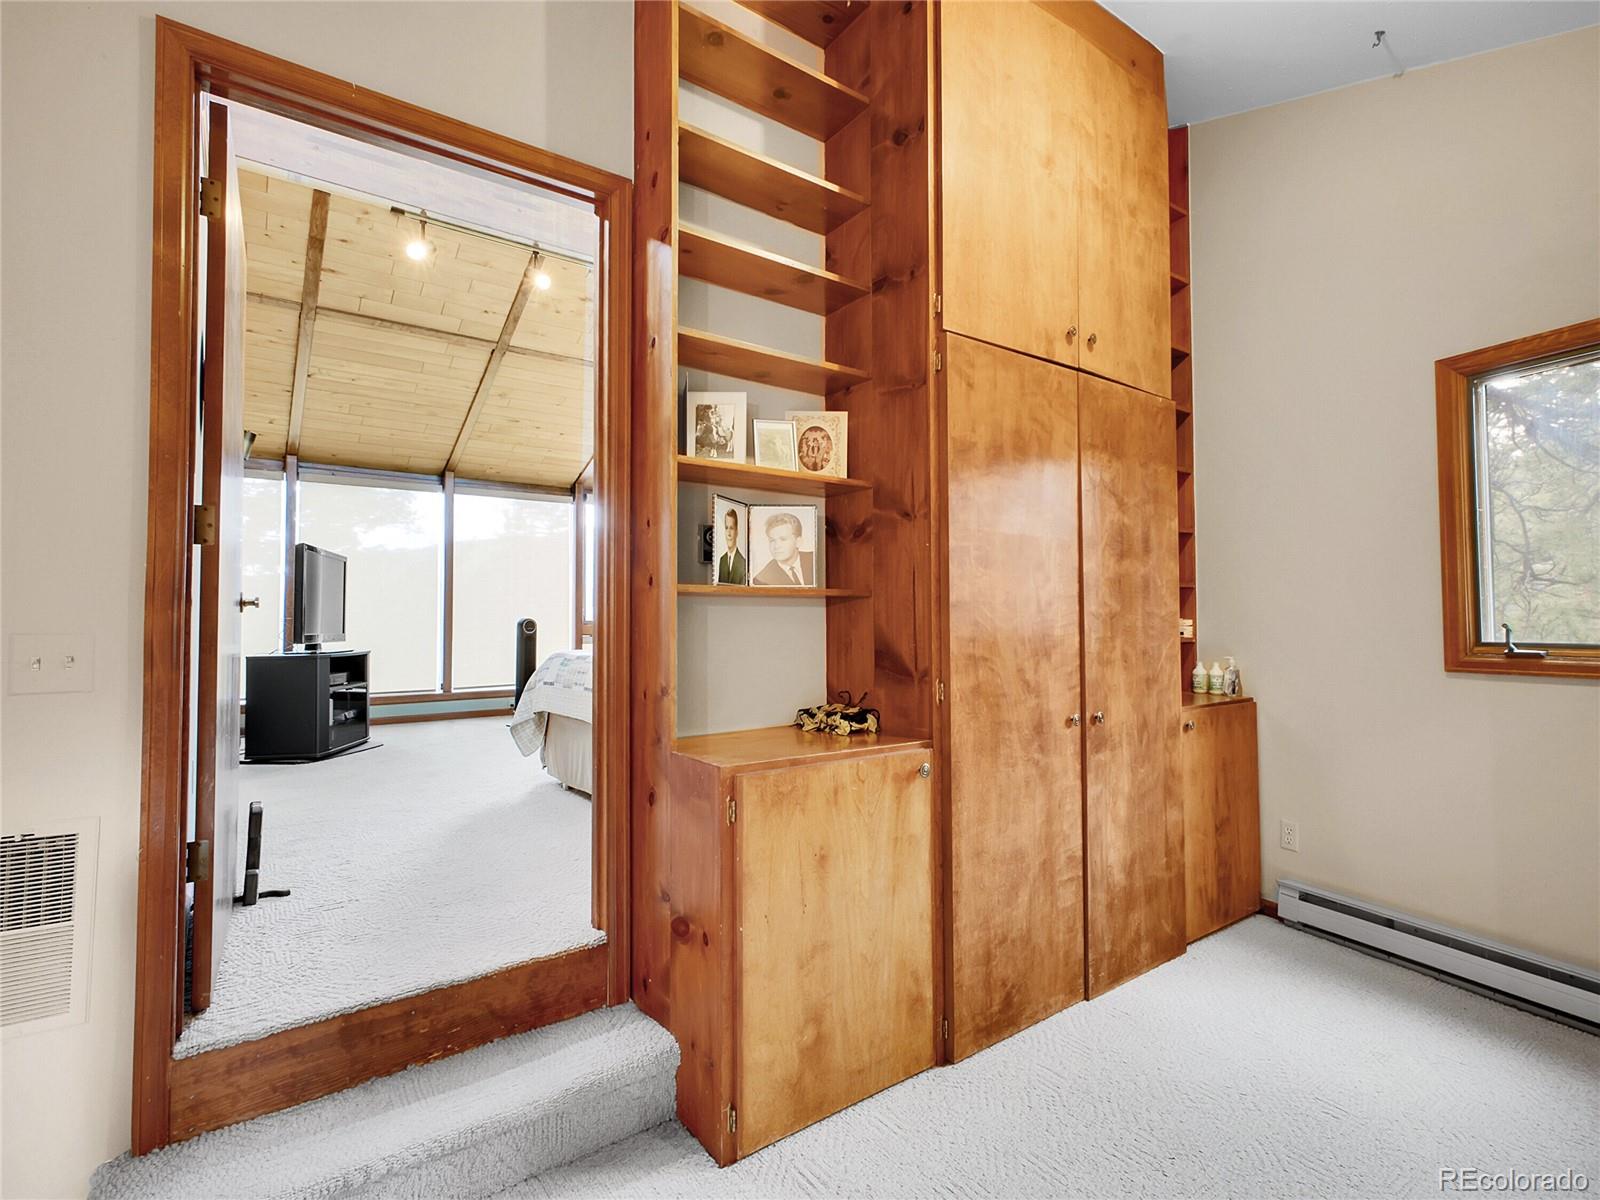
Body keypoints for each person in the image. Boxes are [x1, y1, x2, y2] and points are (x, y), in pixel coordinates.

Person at [752, 511, 814, 586]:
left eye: (783, 539)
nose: (776, 546)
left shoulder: (814, 560)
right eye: (772, 540)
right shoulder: (761, 579)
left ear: (798, 542)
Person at [717, 506, 747, 584]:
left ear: (737, 532)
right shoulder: (722, 560)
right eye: (726, 528)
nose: (729, 534)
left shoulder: (743, 563)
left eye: (731, 528)